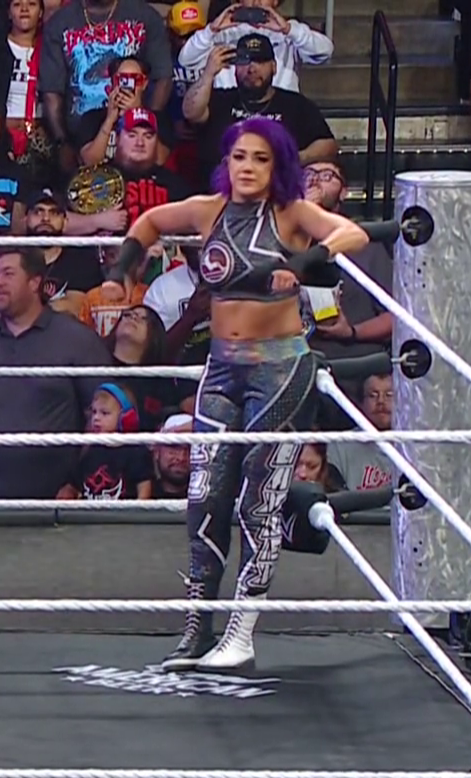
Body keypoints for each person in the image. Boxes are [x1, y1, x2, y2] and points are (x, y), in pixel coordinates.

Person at [99, 116, 366, 671]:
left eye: (260, 159)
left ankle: (241, 633)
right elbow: (149, 221)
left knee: (257, 501)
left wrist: (304, 263)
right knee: (205, 498)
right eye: (240, 156)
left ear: (277, 166)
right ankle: (197, 630)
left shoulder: (292, 213)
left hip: (279, 370)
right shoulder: (208, 210)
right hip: (221, 368)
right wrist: (122, 270)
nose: (247, 167)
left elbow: (351, 233)